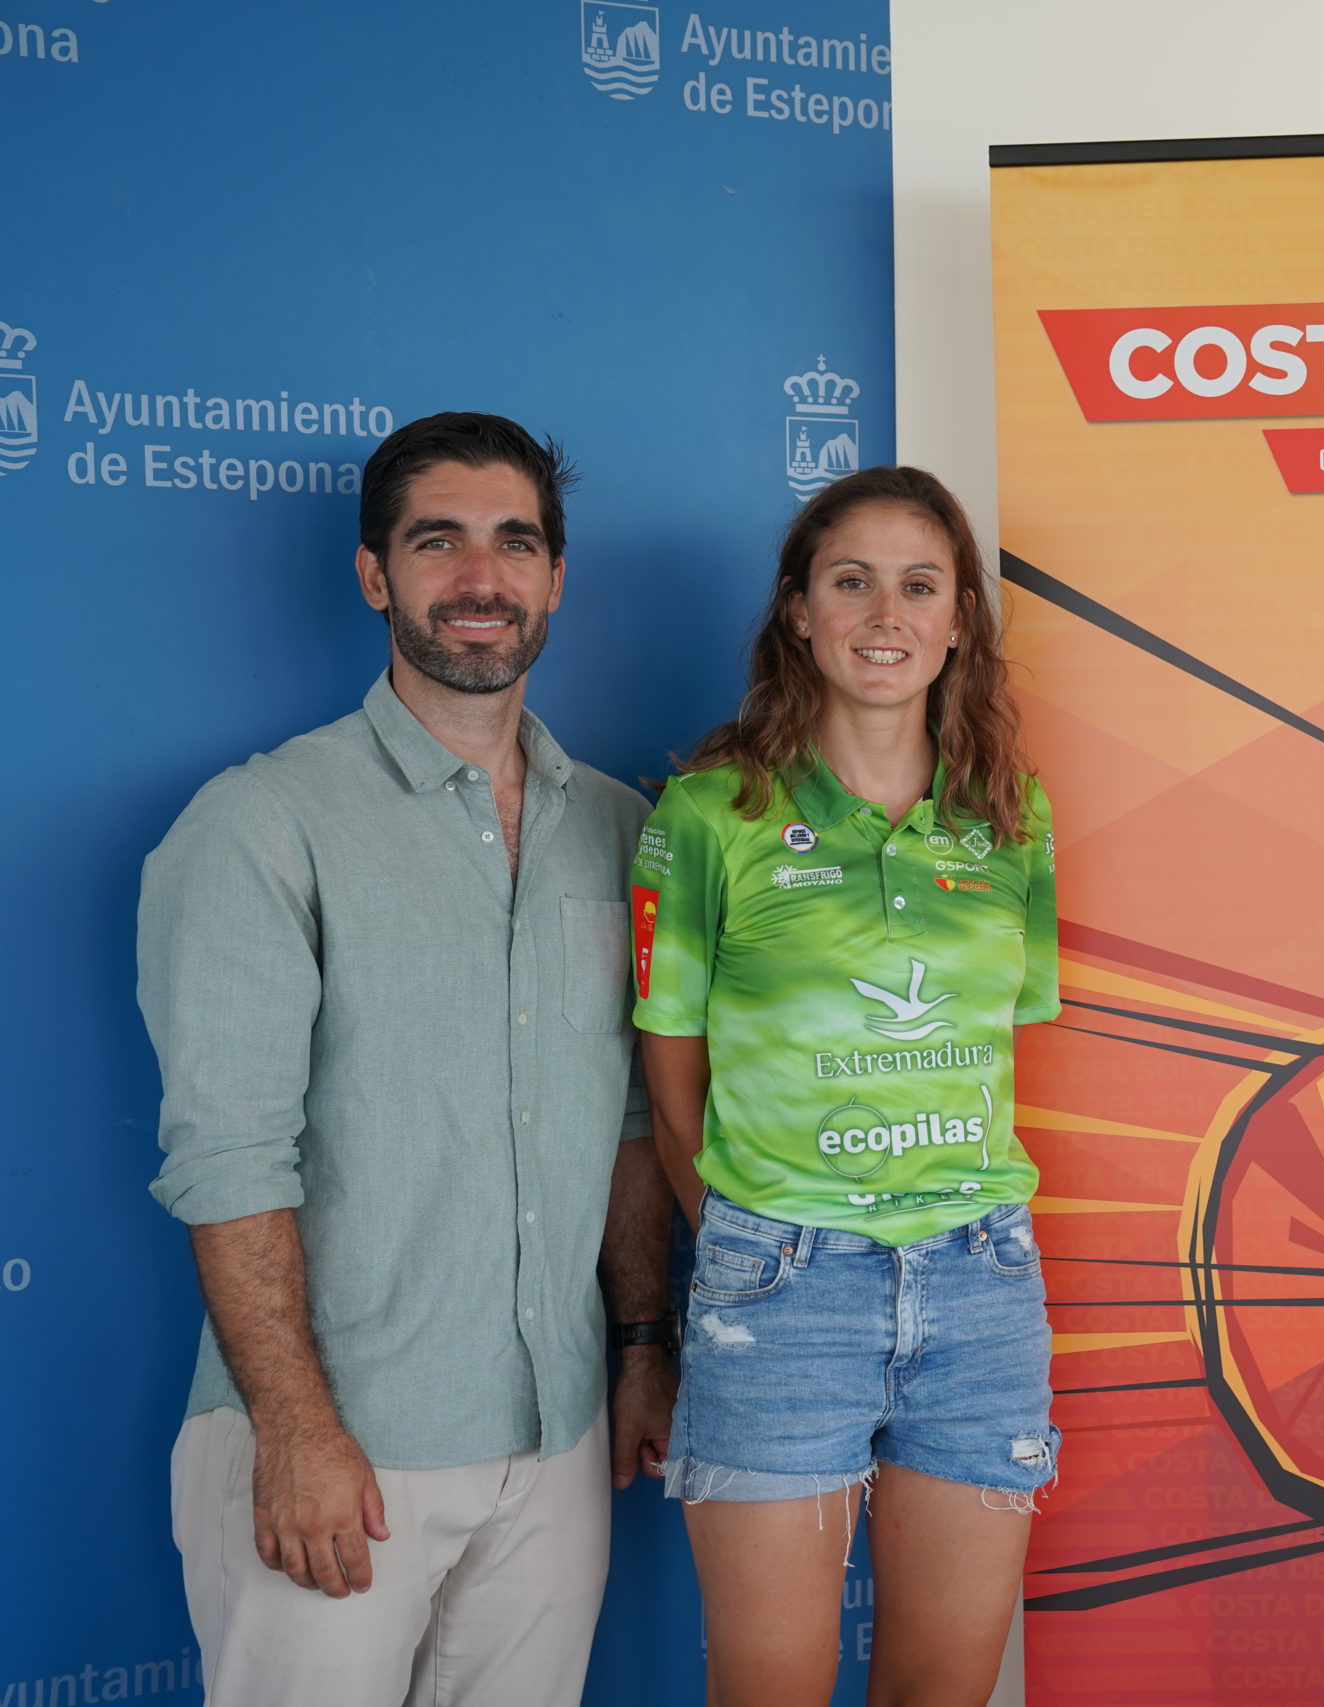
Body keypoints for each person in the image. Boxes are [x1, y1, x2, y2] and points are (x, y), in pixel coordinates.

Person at [138, 412, 678, 1705]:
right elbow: (230, 1157)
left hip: (555, 1442)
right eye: (439, 542)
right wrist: (295, 1428)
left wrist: (640, 1342)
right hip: (340, 1445)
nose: (481, 578)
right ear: (375, 575)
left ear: (556, 578)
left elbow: (626, 1121)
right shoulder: (263, 824)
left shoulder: (624, 828)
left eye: (515, 543)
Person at [634, 464, 1059, 1707]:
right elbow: (671, 1084)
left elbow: (1002, 1049)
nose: (885, 614)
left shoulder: (1011, 818)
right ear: (798, 610)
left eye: (920, 586)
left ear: (960, 620)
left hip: (980, 1287)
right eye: (851, 581)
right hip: (782, 1291)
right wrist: (753, 1248)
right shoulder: (710, 815)